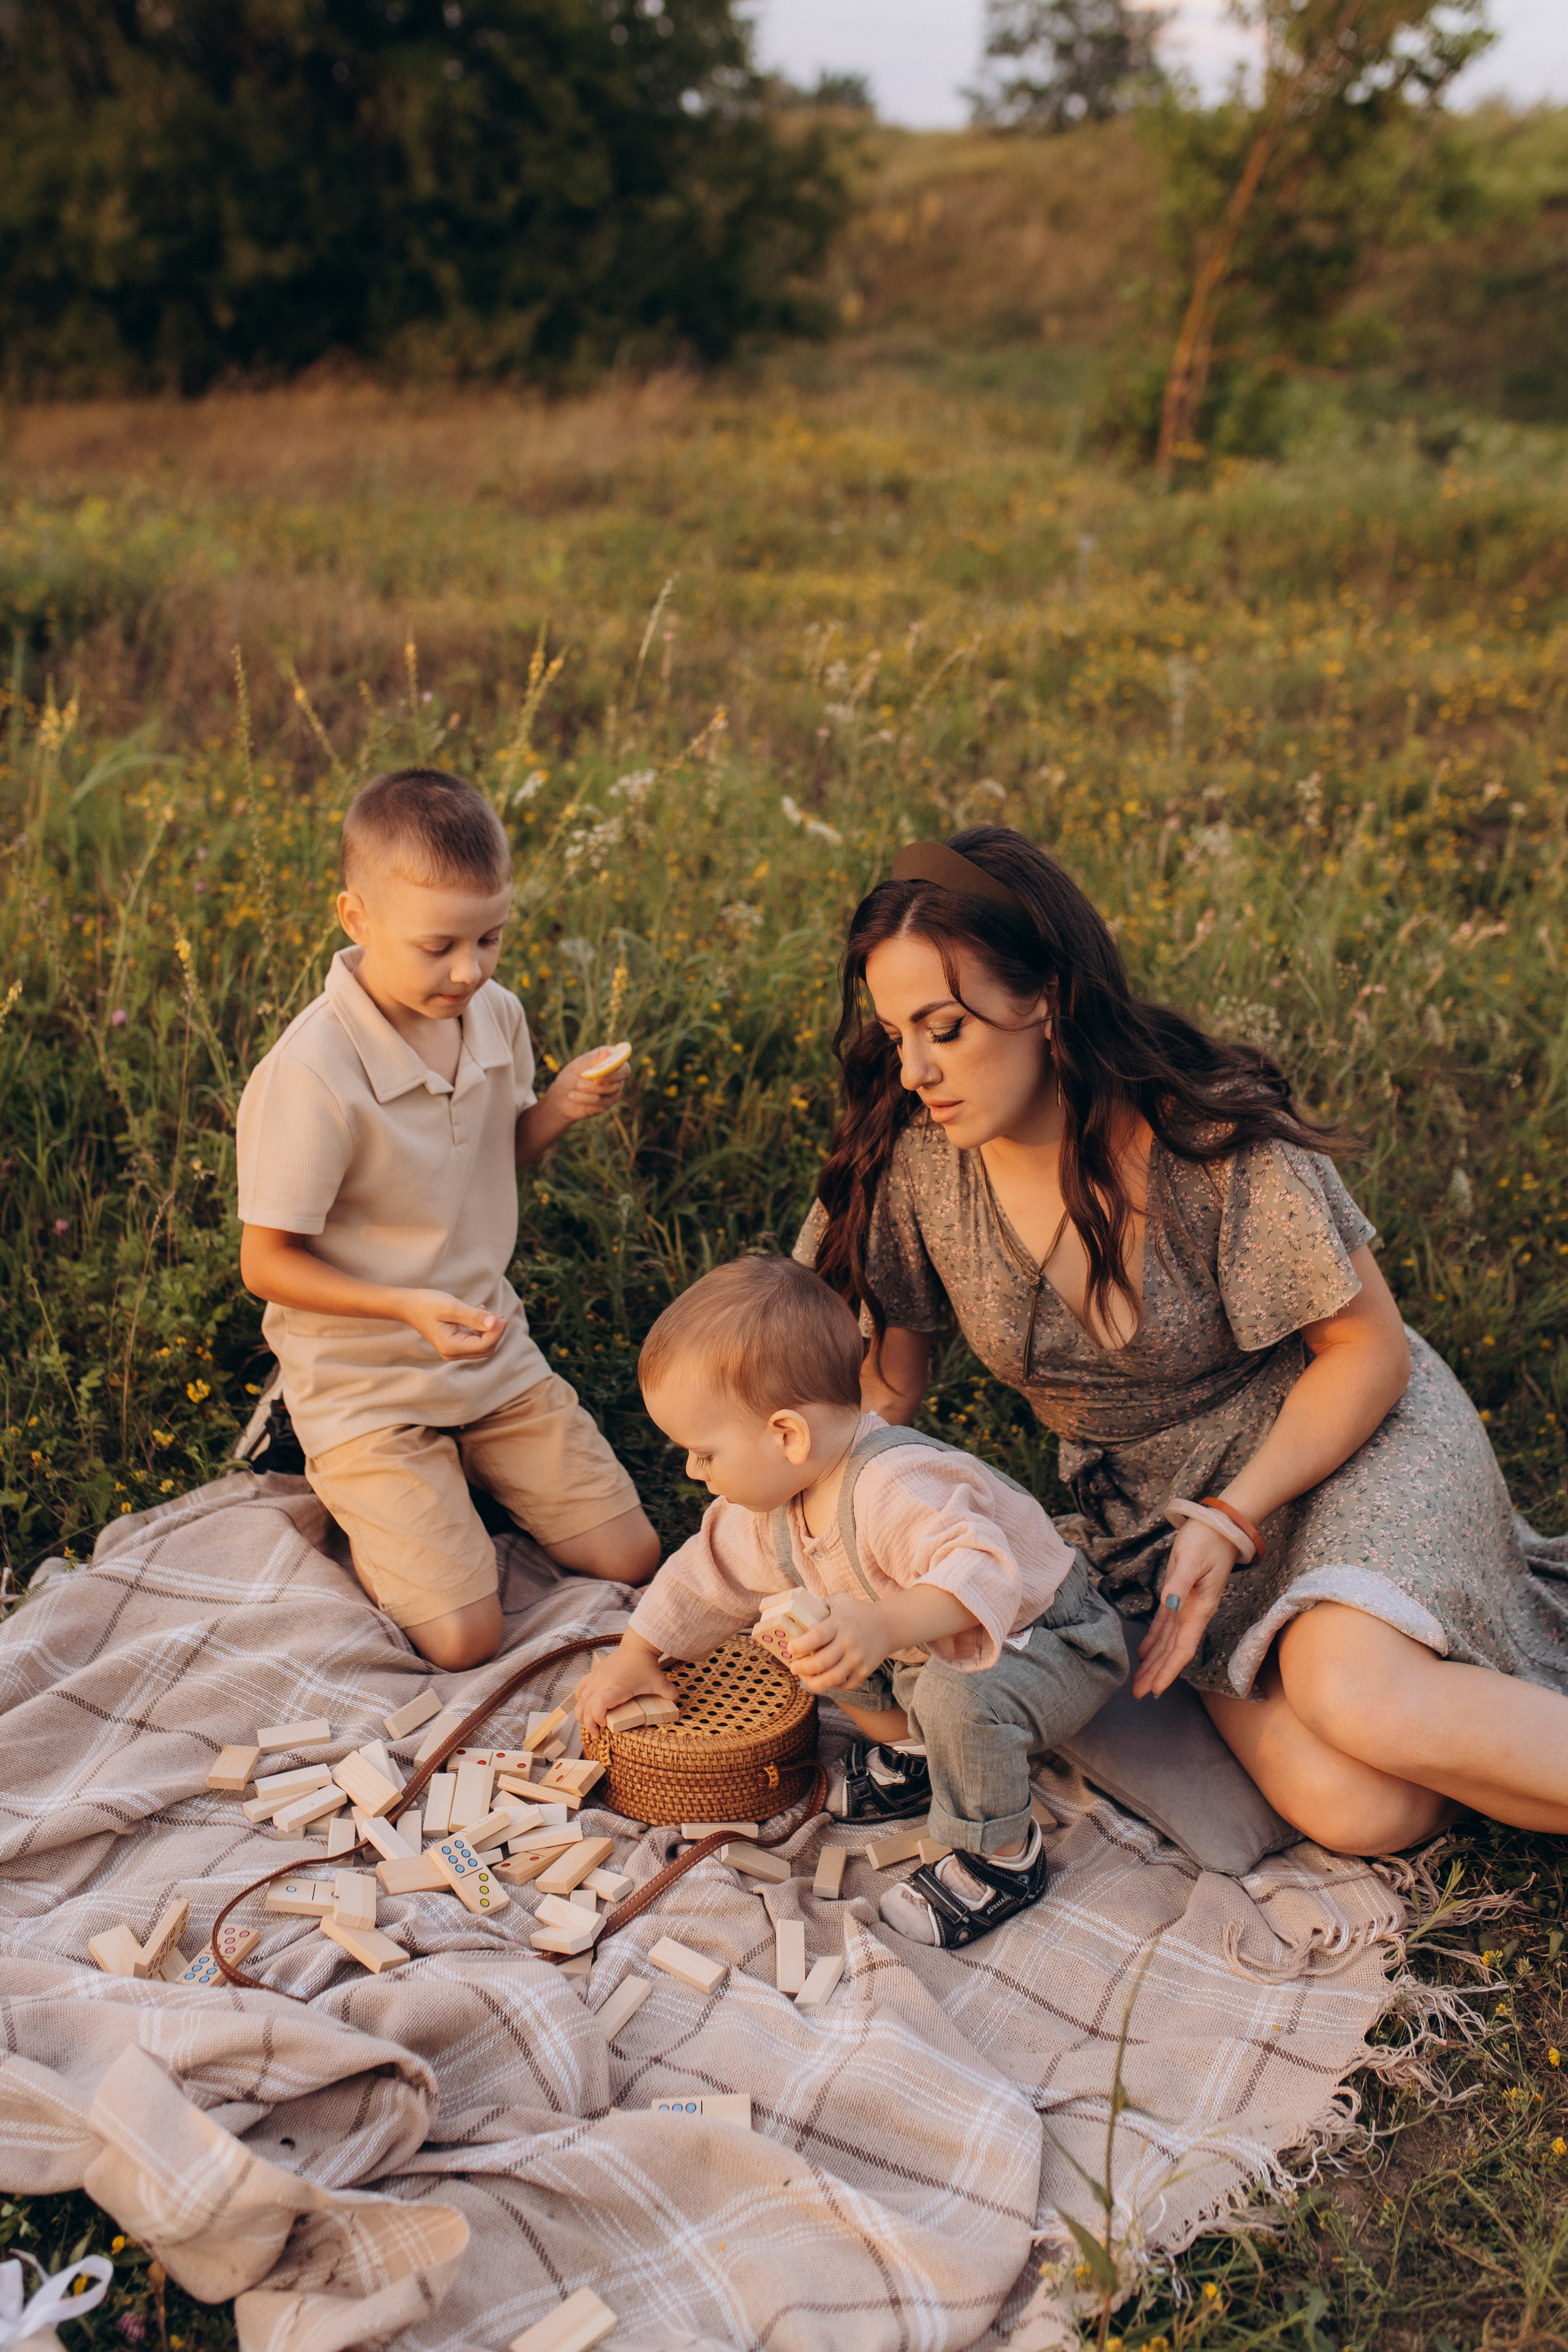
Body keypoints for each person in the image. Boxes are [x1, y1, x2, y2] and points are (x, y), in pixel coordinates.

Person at [795, 825, 1568, 1857]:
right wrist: (798, 1503)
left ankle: (1402, 1672)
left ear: (1047, 999)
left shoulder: (1204, 1138)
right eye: (898, 1035)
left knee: (1358, 1695)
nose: (918, 1068)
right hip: (1156, 1519)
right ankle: (1453, 1711)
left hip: (1346, 1443)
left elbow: (1367, 1353)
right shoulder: (920, 1158)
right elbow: (888, 1382)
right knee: (1368, 1812)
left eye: (945, 1027)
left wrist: (1236, 1515)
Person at [236, 766, 659, 1671]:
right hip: (367, 1377)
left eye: (491, 938)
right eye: (439, 946)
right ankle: (352, 1465)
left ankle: (459, 1473)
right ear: (356, 918)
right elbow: (267, 1263)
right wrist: (405, 1308)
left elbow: (491, 1156)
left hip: (483, 1343)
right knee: (467, 1638)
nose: (468, 970)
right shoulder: (312, 1074)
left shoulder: (494, 1015)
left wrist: (560, 1108)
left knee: (630, 1556)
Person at [575, 1256, 1126, 1947]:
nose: (692, 1471)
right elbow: (701, 1575)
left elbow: (986, 1573)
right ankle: (924, 1763)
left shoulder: (893, 1485)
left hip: (1042, 1640)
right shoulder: (769, 1502)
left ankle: (1000, 1856)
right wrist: (637, 1653)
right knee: (816, 1641)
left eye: (703, 1452)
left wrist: (883, 1623)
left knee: (958, 1697)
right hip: (921, 1642)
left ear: (786, 1435)